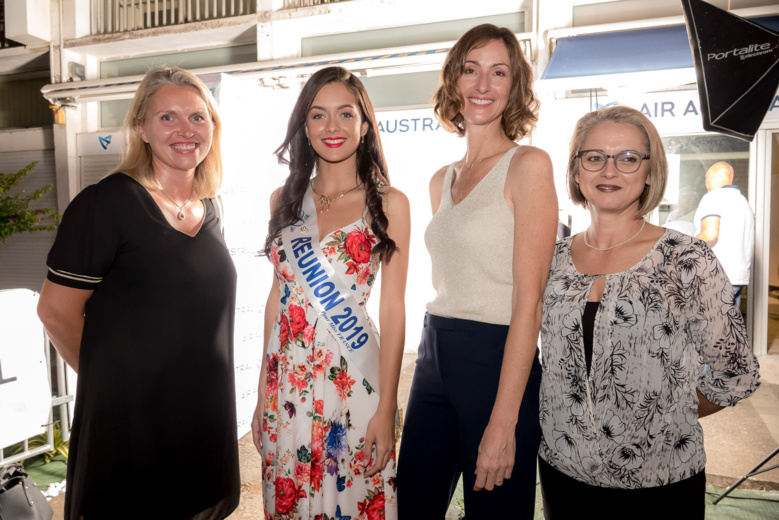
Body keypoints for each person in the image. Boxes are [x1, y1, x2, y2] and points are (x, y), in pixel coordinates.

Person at [36, 66, 240, 519]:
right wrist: (114, 383)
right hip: (130, 429)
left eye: (197, 117)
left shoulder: (210, 209)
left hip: (202, 417)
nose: (186, 130)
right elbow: (55, 312)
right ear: (141, 129)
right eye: (167, 117)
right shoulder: (105, 204)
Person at [538, 106, 760, 519]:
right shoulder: (551, 260)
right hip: (563, 476)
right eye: (595, 157)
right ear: (576, 170)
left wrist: (667, 416)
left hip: (659, 484)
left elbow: (737, 374)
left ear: (650, 172)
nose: (609, 171)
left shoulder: (684, 258)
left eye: (627, 158)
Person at [397, 24, 558, 519]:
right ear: (454, 80)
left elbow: (529, 301)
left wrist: (504, 419)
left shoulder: (528, 165)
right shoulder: (439, 180)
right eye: (471, 70)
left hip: (497, 360)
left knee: (496, 512)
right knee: (412, 506)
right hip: (432, 357)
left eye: (498, 72)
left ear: (514, 87)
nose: (483, 85)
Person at [250, 66, 410, 519]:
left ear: (365, 125)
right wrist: (263, 393)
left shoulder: (389, 203)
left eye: (345, 113)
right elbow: (276, 300)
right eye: (318, 115)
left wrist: (386, 407)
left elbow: (394, 309)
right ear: (304, 125)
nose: (332, 126)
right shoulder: (282, 199)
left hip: (352, 377)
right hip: (290, 385)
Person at [695, 161, 755, 309]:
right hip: (737, 277)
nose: (706, 183)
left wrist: (682, 245)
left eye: (706, 178)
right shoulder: (743, 203)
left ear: (712, 175)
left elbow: (709, 235)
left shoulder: (714, 197)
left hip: (715, 277)